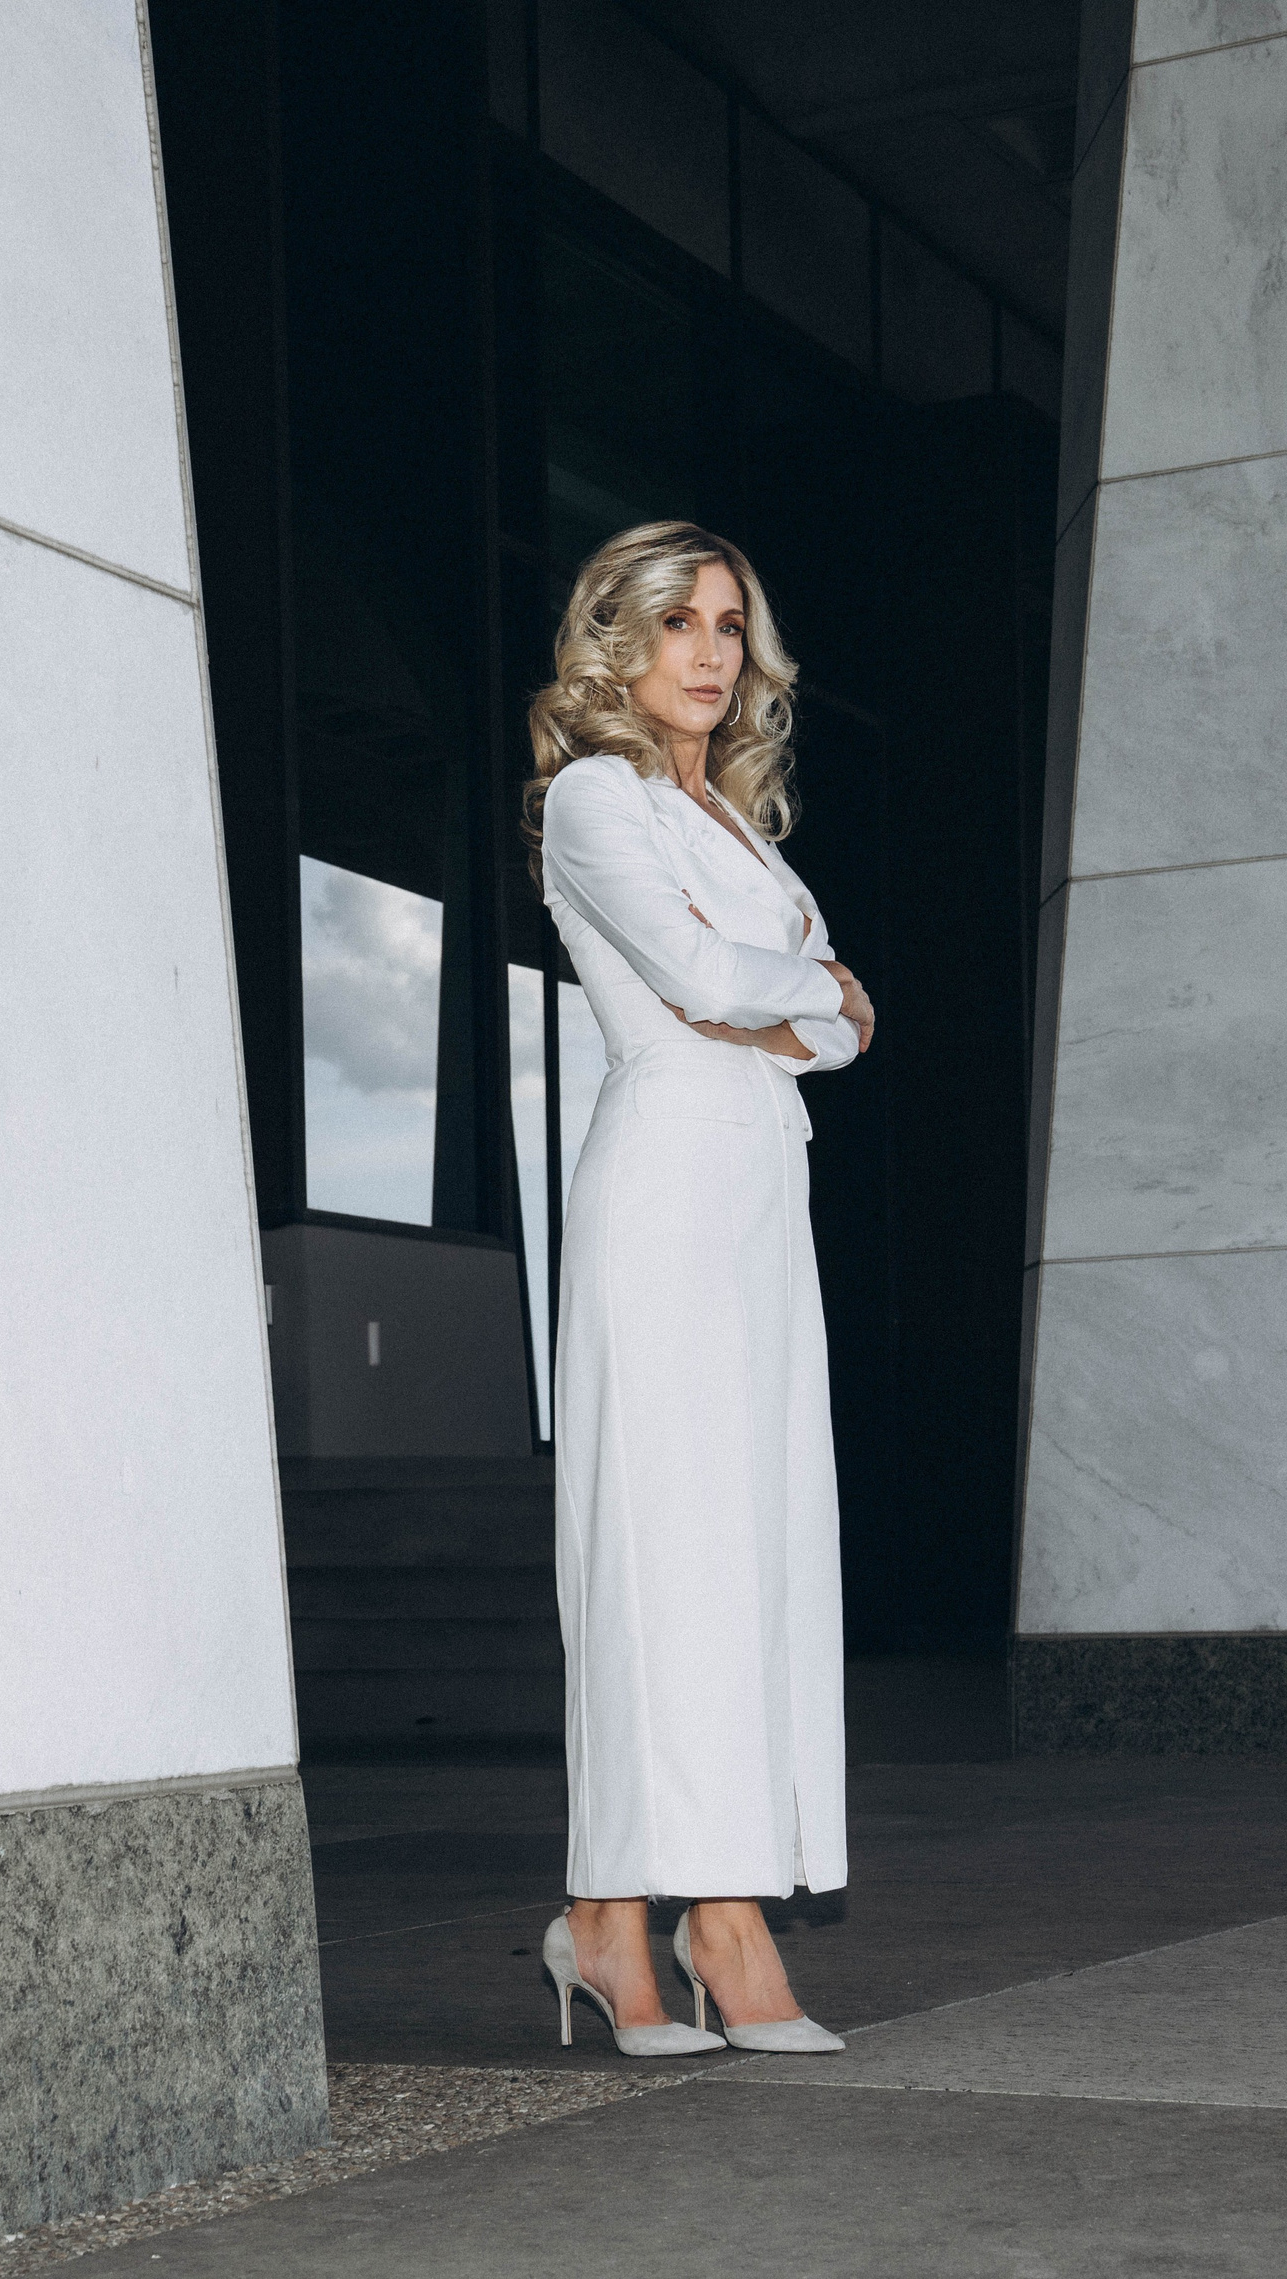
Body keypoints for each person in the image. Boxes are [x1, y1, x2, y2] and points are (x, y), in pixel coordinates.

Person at [519, 520, 878, 2057]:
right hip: (662, 1191)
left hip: (761, 1196)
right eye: (679, 622)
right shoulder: (594, 799)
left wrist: (793, 1006)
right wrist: (796, 998)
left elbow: (847, 1030)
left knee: (758, 1552)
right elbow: (717, 986)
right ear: (621, 639)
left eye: (731, 624)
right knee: (660, 1557)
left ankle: (662, 1915)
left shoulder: (738, 829)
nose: (712, 652)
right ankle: (676, 1918)